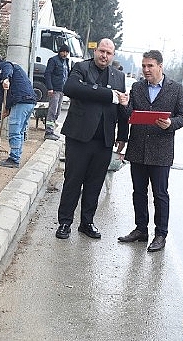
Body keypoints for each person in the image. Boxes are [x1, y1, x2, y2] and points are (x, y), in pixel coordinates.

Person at [54, 38, 129, 240]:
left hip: (104, 139)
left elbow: (121, 107)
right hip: (79, 137)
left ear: (113, 56)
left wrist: (123, 135)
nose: (104, 56)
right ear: (95, 51)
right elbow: (71, 88)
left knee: (95, 184)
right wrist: (108, 95)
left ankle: (87, 223)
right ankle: (64, 223)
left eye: (109, 53)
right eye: (102, 51)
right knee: (73, 181)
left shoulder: (119, 76)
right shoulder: (81, 68)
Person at [117, 50, 183, 252]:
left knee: (160, 194)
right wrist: (124, 105)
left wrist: (170, 123)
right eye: (144, 66)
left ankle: (161, 234)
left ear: (160, 66)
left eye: (150, 66)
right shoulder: (137, 87)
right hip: (138, 148)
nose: (146, 70)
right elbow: (129, 115)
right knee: (138, 192)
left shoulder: (175, 89)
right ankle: (141, 230)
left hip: (161, 151)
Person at [0, 58, 39, 168]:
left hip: (21, 101)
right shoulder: (18, 71)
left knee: (14, 130)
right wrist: (7, 109)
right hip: (29, 102)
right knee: (20, 131)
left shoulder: (6, 65)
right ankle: (16, 155)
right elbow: (6, 95)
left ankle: (14, 159)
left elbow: (7, 70)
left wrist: (5, 79)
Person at [43, 44, 70, 140]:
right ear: (60, 51)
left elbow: (67, 75)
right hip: (54, 90)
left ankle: (52, 129)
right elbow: (48, 74)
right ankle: (48, 132)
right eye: (64, 52)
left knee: (57, 112)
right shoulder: (53, 60)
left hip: (62, 90)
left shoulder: (66, 62)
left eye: (67, 52)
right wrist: (50, 88)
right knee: (52, 111)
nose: (65, 54)